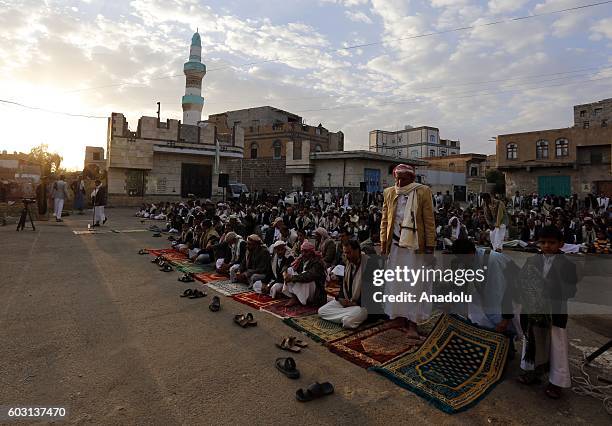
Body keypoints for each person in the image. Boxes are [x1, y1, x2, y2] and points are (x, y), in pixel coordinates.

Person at [516, 226, 577, 400]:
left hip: (554, 312)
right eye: (543, 242)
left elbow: (571, 290)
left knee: (557, 345)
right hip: (533, 309)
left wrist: (552, 288)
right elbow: (521, 280)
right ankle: (532, 372)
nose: (547, 246)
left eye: (551, 242)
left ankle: (557, 382)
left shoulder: (567, 264)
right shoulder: (532, 261)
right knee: (532, 341)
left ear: (561, 244)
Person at [380, 164, 436, 338]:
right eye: (396, 178)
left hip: (415, 249)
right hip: (395, 247)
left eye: (403, 178)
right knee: (395, 285)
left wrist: (430, 249)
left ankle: (413, 323)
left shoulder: (422, 191)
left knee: (415, 286)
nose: (399, 181)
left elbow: (429, 221)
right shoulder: (389, 192)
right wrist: (383, 243)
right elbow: (385, 220)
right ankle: (398, 317)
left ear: (412, 179)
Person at [318, 240, 369, 329]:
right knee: (322, 311)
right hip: (349, 303)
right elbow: (344, 286)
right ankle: (347, 315)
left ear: (357, 250)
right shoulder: (348, 264)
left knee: (348, 322)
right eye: (345, 253)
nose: (346, 256)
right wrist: (341, 299)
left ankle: (347, 316)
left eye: (349, 253)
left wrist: (355, 303)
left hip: (364, 306)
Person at [281, 241, 326, 307]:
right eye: (302, 251)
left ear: (311, 252)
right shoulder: (301, 260)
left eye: (306, 252)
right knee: (289, 270)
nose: (303, 254)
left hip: (316, 290)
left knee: (303, 275)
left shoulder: (317, 262)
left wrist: (292, 278)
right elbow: (286, 266)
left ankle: (300, 299)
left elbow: (308, 276)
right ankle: (294, 297)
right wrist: (285, 274)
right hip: (306, 286)